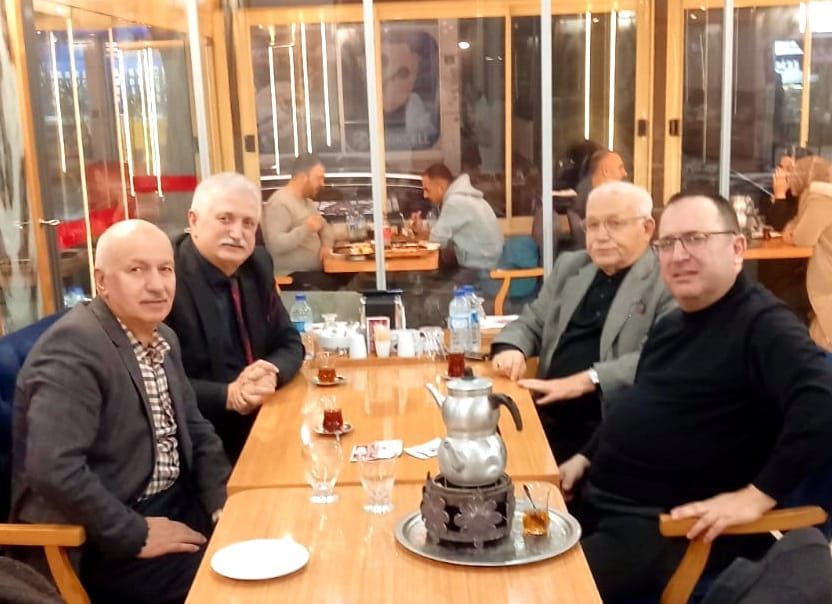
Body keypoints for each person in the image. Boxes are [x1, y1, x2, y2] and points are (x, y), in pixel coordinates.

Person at [569, 194, 832, 602]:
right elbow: (640, 402)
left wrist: (757, 495)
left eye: (695, 239)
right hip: (599, 503)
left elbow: (823, 400)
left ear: (737, 248)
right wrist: (584, 457)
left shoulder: (763, 325)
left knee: (530, 589)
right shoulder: (673, 324)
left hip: (668, 533)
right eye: (668, 244)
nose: (679, 255)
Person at [11, 220, 230, 604]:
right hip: (104, 537)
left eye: (165, 269)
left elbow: (196, 430)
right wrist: (134, 533)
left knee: (275, 536)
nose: (157, 285)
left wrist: (222, 503)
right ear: (102, 281)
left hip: (176, 503)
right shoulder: (73, 348)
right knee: (240, 587)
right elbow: (53, 468)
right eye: (136, 270)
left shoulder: (163, 337)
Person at [491, 182, 674, 464]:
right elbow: (533, 321)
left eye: (614, 224)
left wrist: (589, 380)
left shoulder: (667, 281)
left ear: (647, 228)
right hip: (544, 412)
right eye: (592, 225)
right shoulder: (572, 266)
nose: (601, 236)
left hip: (605, 427)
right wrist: (511, 348)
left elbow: (657, 359)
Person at [166, 172, 304, 462]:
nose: (238, 233)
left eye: (248, 223)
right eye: (225, 219)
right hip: (196, 439)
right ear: (193, 221)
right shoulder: (166, 277)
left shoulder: (257, 265)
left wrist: (271, 371)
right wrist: (228, 395)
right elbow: (156, 382)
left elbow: (290, 342)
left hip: (263, 420)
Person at [534, 148, 628, 255]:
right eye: (620, 168)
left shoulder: (617, 198)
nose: (625, 173)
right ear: (605, 171)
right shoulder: (579, 201)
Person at [412, 163, 503, 271]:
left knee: (430, 277)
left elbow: (437, 240)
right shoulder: (465, 198)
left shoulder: (455, 202)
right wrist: (422, 226)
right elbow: (445, 227)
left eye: (427, 190)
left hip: (479, 270)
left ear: (440, 187)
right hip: (489, 263)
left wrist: (419, 234)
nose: (425, 195)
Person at [781, 157, 832, 350]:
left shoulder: (821, 198)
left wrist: (792, 234)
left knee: (781, 299)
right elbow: (797, 225)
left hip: (827, 282)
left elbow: (803, 238)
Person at [261, 154, 334, 279]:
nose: (322, 184)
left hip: (316, 272)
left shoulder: (307, 202)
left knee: (359, 278)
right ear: (303, 177)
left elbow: (325, 227)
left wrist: (326, 246)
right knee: (354, 285)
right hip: (294, 277)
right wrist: (306, 229)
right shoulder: (280, 202)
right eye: (319, 179)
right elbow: (274, 245)